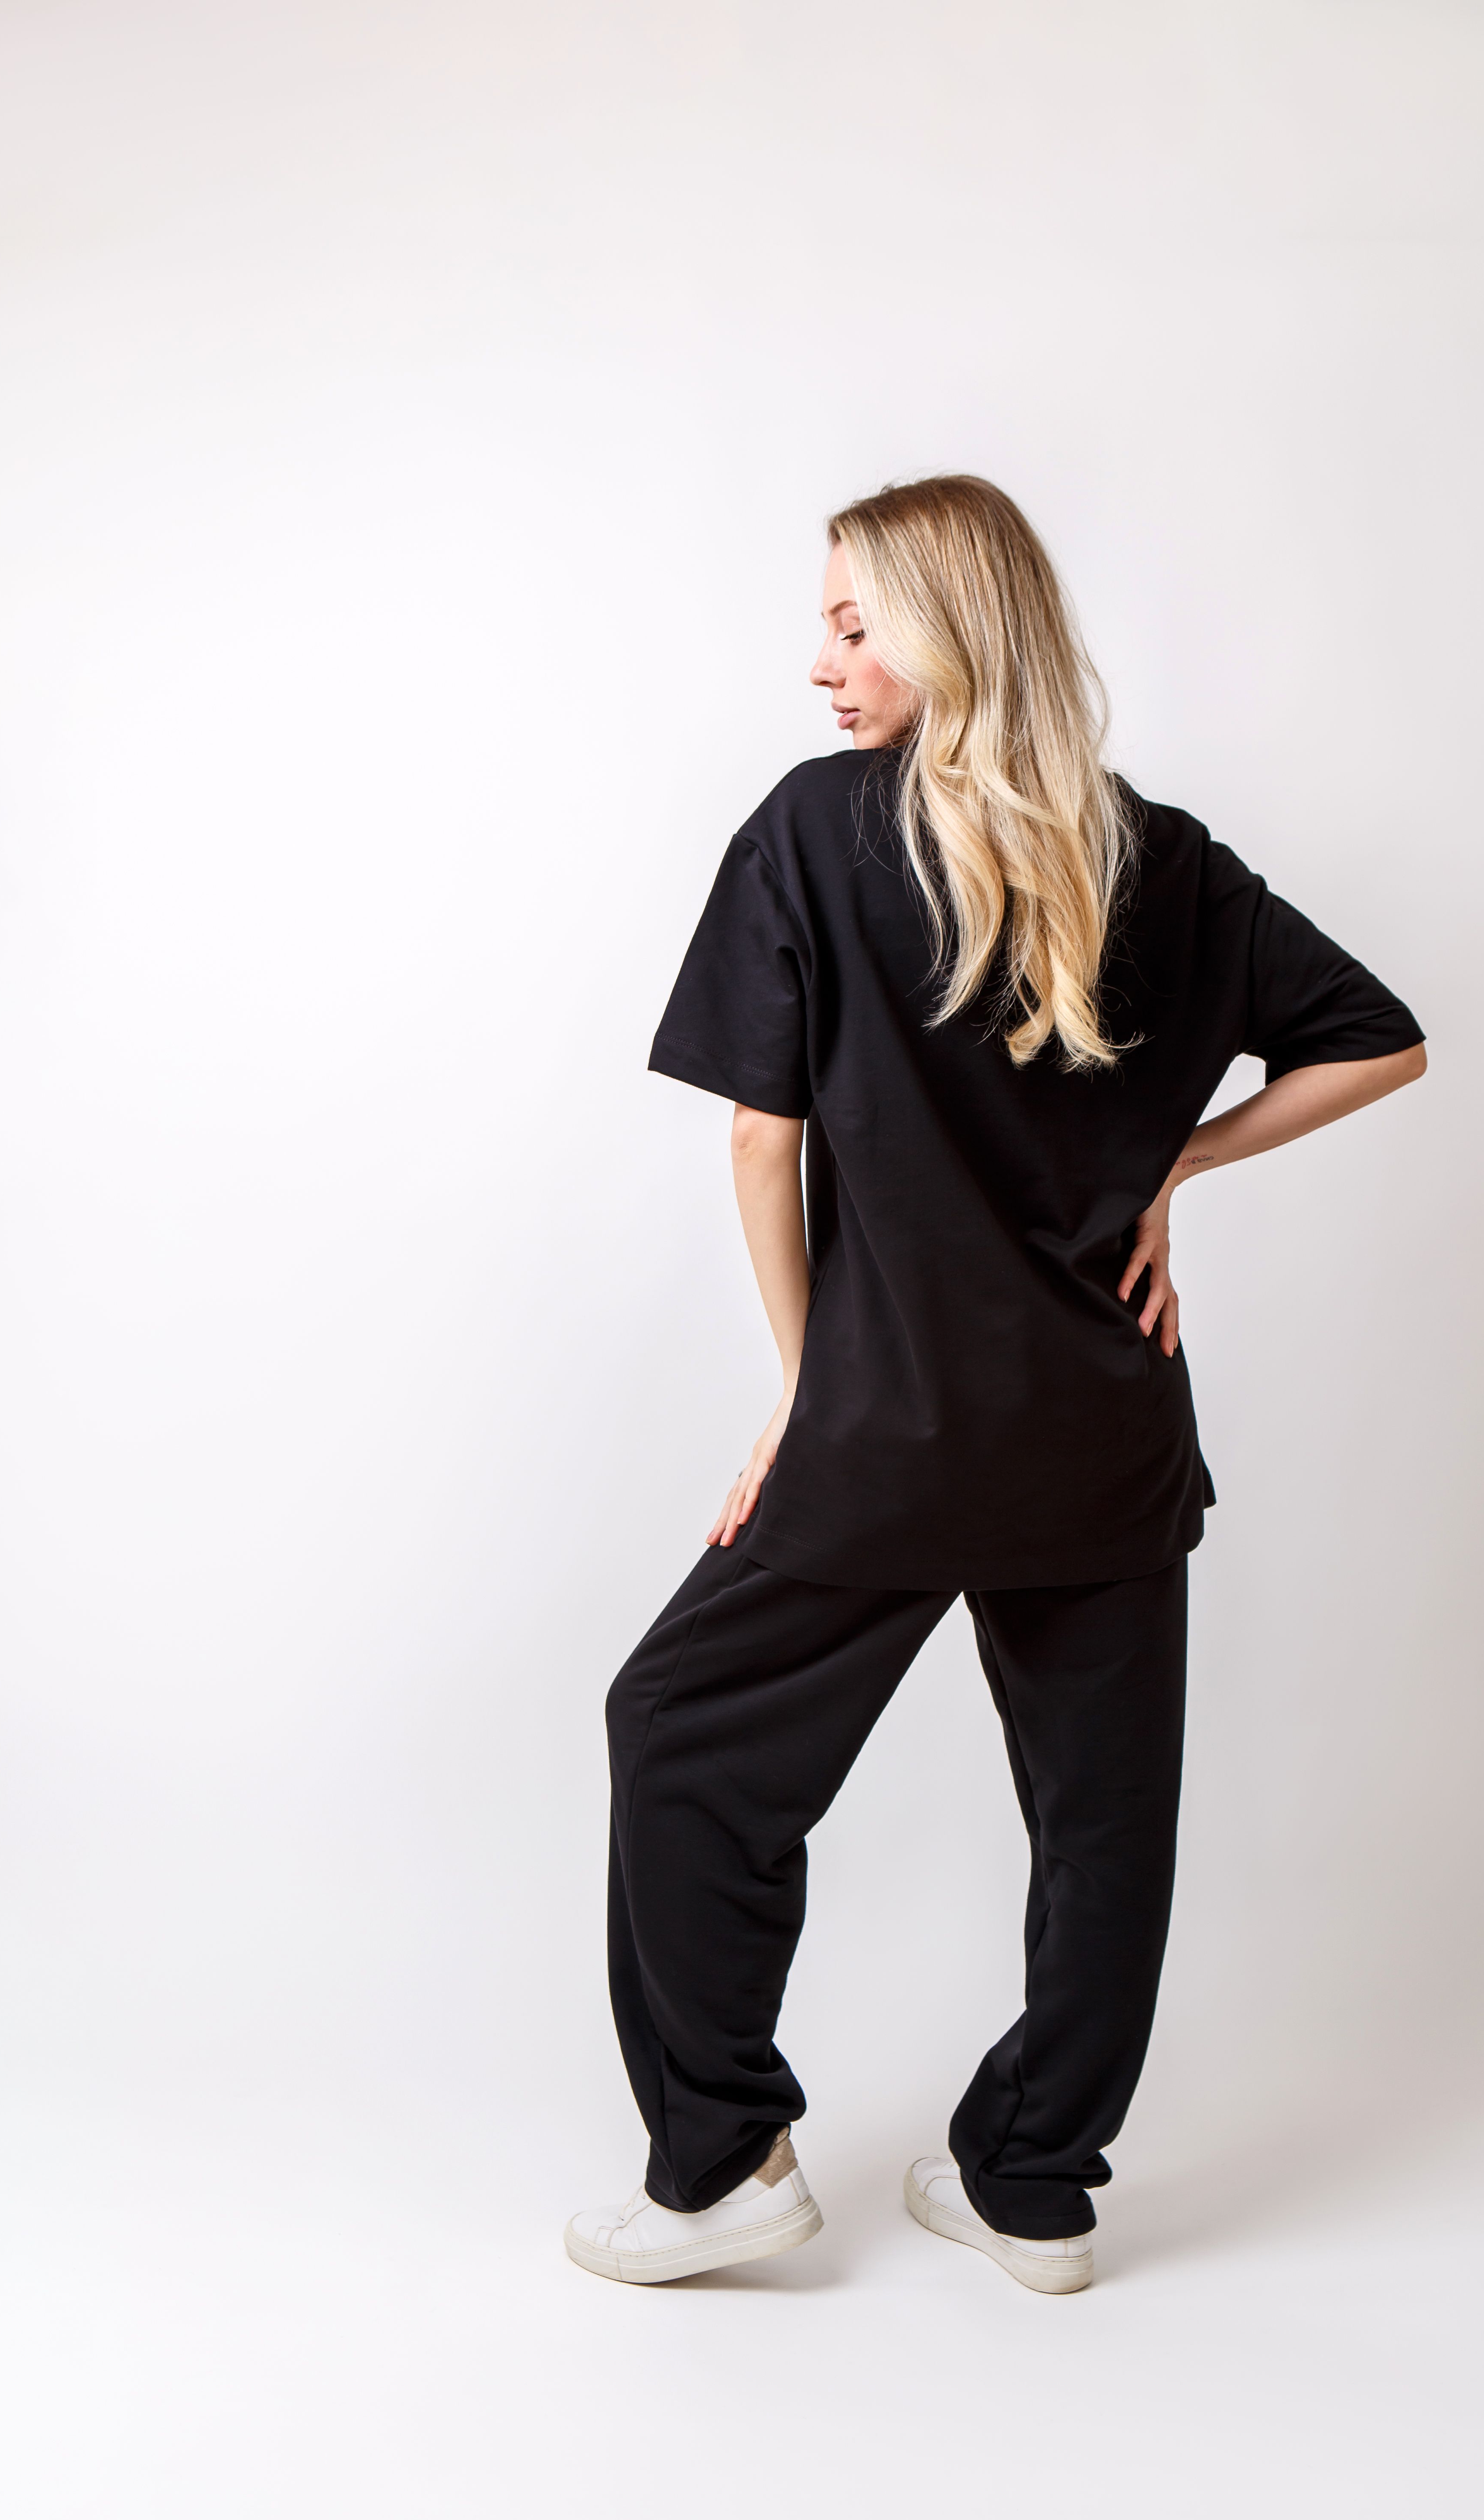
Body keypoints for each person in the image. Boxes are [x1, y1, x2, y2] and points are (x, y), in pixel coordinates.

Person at [566, 475, 1425, 2293]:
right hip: (1107, 1431)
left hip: (887, 1431)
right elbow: (1380, 1041)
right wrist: (1175, 1161)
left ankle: (721, 2165)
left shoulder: (814, 835)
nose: (822, 666)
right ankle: (1034, 2187)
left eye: (853, 626)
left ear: (952, 629)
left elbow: (761, 1142)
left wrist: (803, 1384)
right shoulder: (1162, 860)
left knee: (682, 1734)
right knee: (1102, 1824)